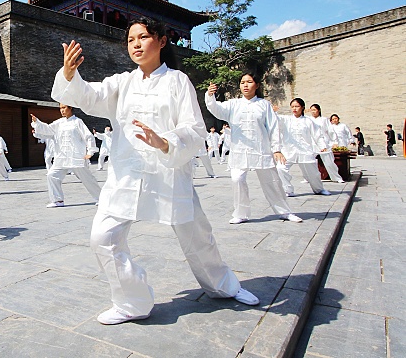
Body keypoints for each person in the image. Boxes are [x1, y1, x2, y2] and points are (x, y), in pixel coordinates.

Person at [51, 17, 259, 325]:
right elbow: (89, 96)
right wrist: (69, 72)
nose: (135, 44)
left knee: (197, 237)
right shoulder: (121, 83)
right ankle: (132, 302)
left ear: (161, 41)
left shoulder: (178, 81)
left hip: (168, 172)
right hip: (126, 174)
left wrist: (166, 142)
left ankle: (223, 286)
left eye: (143, 37)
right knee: (102, 237)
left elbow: (194, 128)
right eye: (131, 39)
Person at [206, 73, 302, 224]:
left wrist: (276, 148)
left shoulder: (264, 105)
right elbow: (217, 110)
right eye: (242, 82)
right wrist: (210, 96)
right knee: (237, 178)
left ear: (256, 85)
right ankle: (241, 213)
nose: (245, 85)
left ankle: (285, 211)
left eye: (249, 82)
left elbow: (273, 127)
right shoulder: (233, 104)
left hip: (260, 149)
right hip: (239, 151)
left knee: (272, 182)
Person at [30, 105, 100, 208]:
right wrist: (37, 123)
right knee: (52, 175)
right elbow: (48, 130)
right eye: (60, 108)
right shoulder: (59, 123)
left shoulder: (77, 122)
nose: (62, 110)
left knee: (87, 179)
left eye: (64, 108)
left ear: (71, 108)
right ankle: (58, 200)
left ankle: (101, 198)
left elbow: (88, 136)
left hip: (76, 156)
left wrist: (90, 151)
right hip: (61, 157)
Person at [273, 99, 331, 197]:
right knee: (280, 168)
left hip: (305, 150)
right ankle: (288, 190)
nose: (294, 109)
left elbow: (317, 134)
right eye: (292, 107)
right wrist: (273, 111)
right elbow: (275, 119)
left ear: (303, 107)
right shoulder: (286, 119)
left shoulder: (308, 121)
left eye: (297, 106)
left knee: (314, 173)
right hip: (289, 150)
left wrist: (322, 146)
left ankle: (319, 189)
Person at [308, 104, 344, 183]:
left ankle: (336, 177)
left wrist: (335, 141)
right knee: (308, 161)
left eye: (314, 110)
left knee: (329, 161)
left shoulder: (324, 120)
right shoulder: (308, 119)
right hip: (312, 142)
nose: (313, 112)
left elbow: (330, 131)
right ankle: (308, 178)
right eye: (311, 110)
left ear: (319, 110)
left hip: (323, 142)